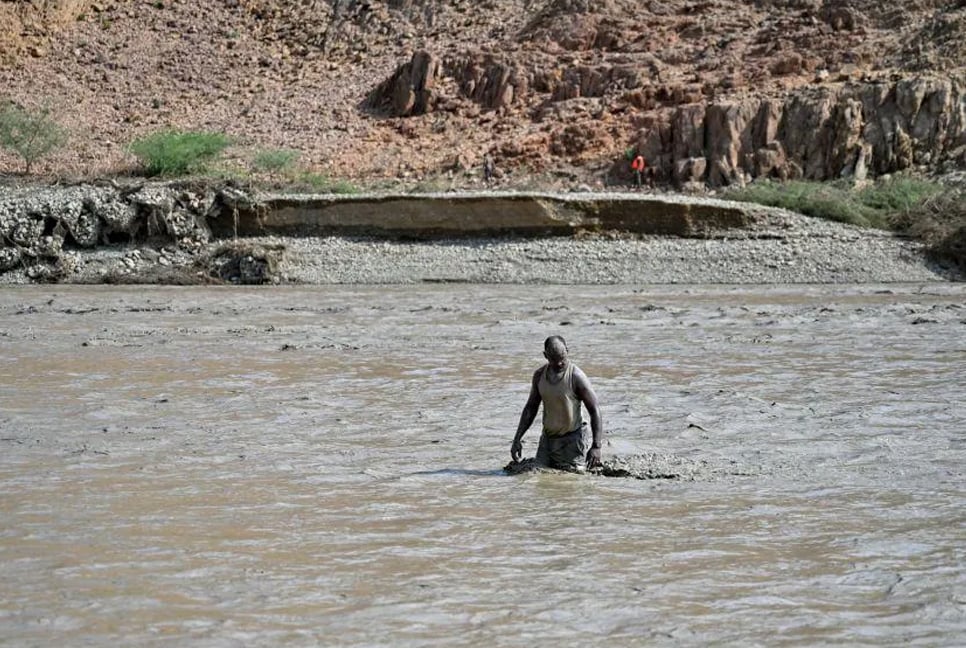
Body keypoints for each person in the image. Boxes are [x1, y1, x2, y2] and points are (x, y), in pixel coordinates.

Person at [510, 336, 604, 472]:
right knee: (537, 476)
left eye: (563, 358)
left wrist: (596, 446)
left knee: (573, 478)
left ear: (567, 351)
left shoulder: (576, 376)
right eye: (554, 360)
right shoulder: (539, 376)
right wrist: (517, 438)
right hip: (548, 441)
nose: (560, 363)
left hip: (573, 439)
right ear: (545, 356)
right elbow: (530, 408)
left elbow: (595, 410)